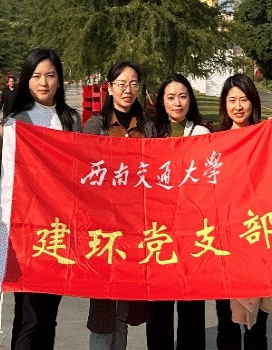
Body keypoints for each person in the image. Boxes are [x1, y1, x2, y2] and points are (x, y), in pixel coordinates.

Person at [1, 48, 82, 350]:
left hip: (60, 230)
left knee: (50, 315)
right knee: (29, 316)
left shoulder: (71, 120)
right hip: (29, 232)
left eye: (50, 75)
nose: (43, 82)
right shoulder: (16, 122)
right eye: (36, 76)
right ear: (27, 80)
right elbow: (7, 181)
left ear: (60, 80)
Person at [83, 60, 156, 350]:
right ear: (110, 87)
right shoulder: (95, 126)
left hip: (137, 230)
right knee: (103, 310)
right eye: (121, 84)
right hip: (103, 230)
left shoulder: (148, 127)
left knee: (125, 308)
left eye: (133, 84)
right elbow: (81, 175)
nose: (128, 90)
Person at [147, 74, 209, 350]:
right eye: (171, 97)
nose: (177, 103)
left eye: (183, 96)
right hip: (158, 234)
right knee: (159, 312)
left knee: (192, 309)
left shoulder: (202, 134)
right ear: (162, 101)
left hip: (192, 233)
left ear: (190, 100)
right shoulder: (151, 134)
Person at [214, 73, 272, 350]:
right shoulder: (215, 143)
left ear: (253, 102)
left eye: (244, 100)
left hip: (257, 240)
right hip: (224, 245)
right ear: (224, 105)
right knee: (226, 323)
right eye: (232, 100)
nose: (238, 107)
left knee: (258, 327)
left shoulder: (266, 138)